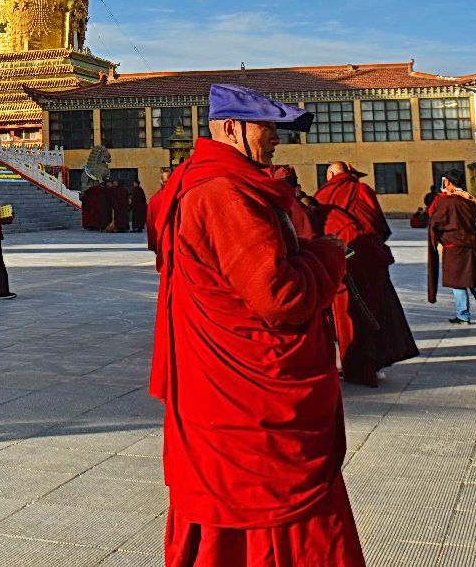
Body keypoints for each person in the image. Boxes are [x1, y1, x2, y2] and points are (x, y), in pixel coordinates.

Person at [148, 84, 362, 566]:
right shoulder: (223, 192)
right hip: (243, 398)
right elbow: (281, 297)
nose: (274, 140)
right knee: (266, 514)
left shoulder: (207, 183)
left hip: (221, 386)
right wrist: (328, 254)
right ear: (231, 128)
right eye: (266, 128)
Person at [316, 161, 418, 387]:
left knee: (344, 314)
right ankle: (376, 362)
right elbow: (379, 225)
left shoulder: (322, 194)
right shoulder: (363, 190)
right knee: (376, 308)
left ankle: (347, 362)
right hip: (370, 260)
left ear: (331, 174)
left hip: (340, 260)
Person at [427, 175, 476, 324]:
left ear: (448, 182)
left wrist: (436, 238)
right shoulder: (469, 199)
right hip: (471, 244)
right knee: (473, 279)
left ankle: (463, 315)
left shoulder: (446, 201)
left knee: (457, 281)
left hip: (454, 245)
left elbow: (434, 218)